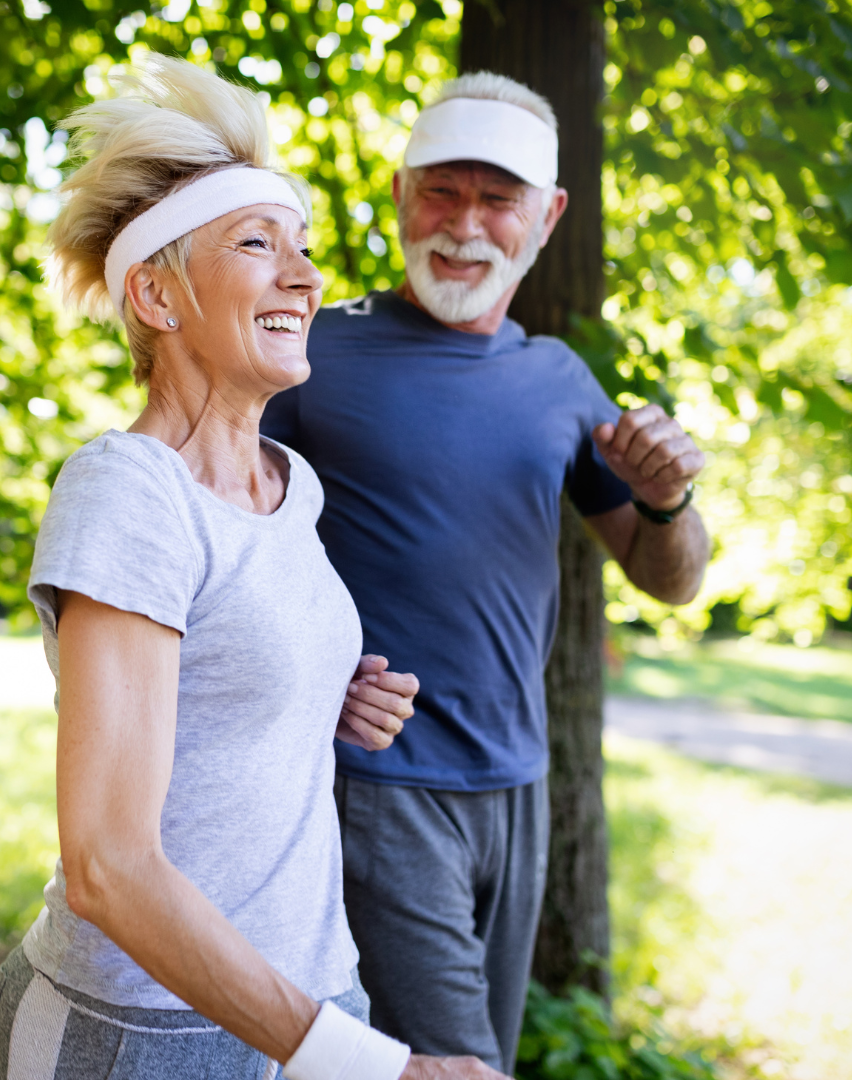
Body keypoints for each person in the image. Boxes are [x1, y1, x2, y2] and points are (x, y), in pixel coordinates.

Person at [0, 55, 507, 1080]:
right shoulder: (129, 490)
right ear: (157, 295)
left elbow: (223, 680)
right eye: (258, 245)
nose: (308, 277)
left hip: (308, 997)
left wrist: (318, 693)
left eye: (304, 249)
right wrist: (373, 1066)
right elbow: (108, 865)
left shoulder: (291, 485)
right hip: (142, 1033)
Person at [261, 72, 710, 1075]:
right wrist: (299, 673)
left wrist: (669, 502)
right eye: (442, 191)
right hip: (377, 780)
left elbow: (665, 577)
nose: (465, 226)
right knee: (455, 1068)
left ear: (546, 217)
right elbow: (211, 531)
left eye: (497, 199)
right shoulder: (309, 352)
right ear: (398, 193)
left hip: (518, 788)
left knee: (473, 1058)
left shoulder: (561, 380)